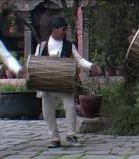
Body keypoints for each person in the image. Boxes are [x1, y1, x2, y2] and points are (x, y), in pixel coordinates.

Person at [34, 17, 102, 148]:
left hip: (64, 82)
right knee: (47, 111)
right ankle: (54, 138)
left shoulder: (69, 46)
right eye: (62, 29)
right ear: (54, 29)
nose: (64, 32)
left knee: (70, 106)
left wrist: (90, 66)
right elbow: (35, 64)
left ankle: (71, 135)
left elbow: (79, 60)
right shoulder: (41, 46)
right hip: (47, 84)